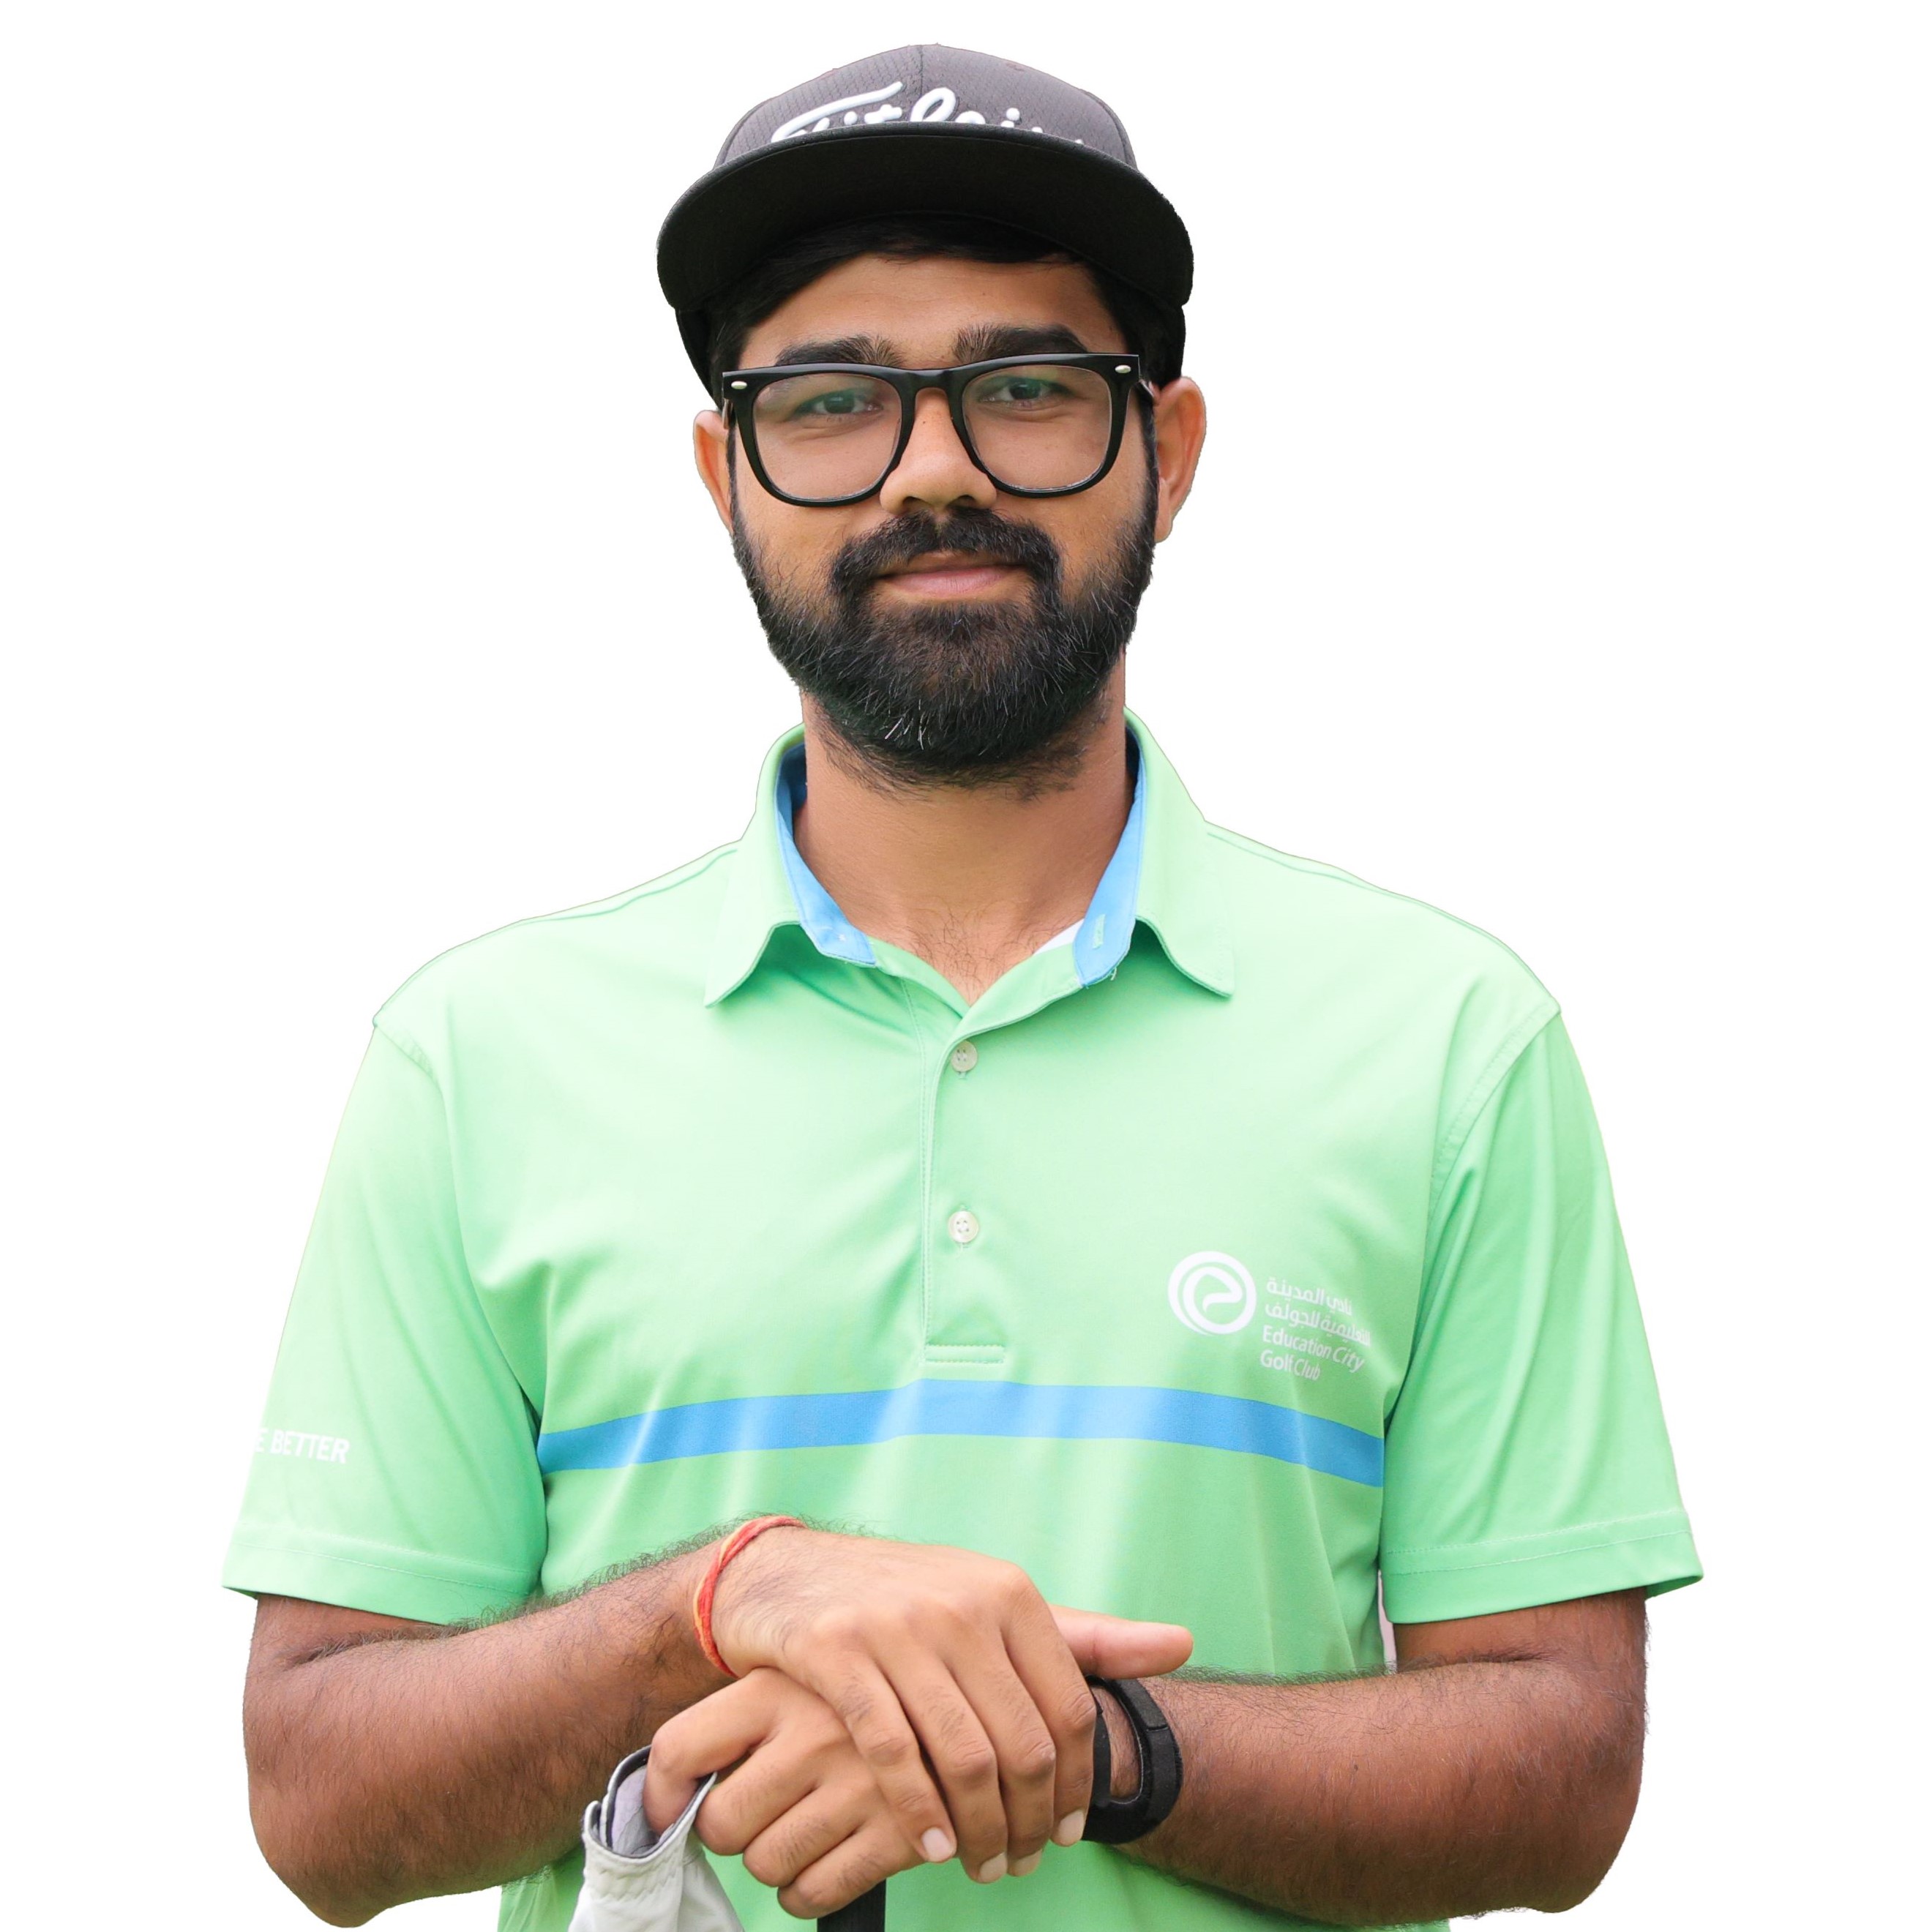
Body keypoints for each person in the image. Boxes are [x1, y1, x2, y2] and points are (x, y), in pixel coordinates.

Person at [226, 44, 1701, 1932]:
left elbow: (1562, 1773)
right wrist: (724, 1600)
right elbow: (320, 1802)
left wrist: (1085, 1747)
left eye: (1025, 388)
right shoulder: (476, 1056)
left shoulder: (1449, 1042)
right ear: (726, 477)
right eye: (831, 402)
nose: (934, 469)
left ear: (1167, 450)